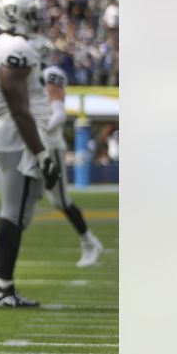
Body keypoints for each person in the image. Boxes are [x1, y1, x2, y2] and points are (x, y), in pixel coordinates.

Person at [0, 0, 63, 307]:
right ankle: (1, 285)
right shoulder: (15, 47)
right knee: (13, 213)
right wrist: (42, 153)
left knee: (17, 212)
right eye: (31, 14)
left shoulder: (6, 44)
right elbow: (18, 107)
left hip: (12, 134)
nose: (37, 20)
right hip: (16, 135)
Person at [34, 37, 105, 267]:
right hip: (30, 144)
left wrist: (39, 128)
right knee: (19, 201)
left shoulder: (50, 73)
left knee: (60, 200)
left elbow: (59, 113)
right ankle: (4, 254)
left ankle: (89, 241)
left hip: (49, 145)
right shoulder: (26, 73)